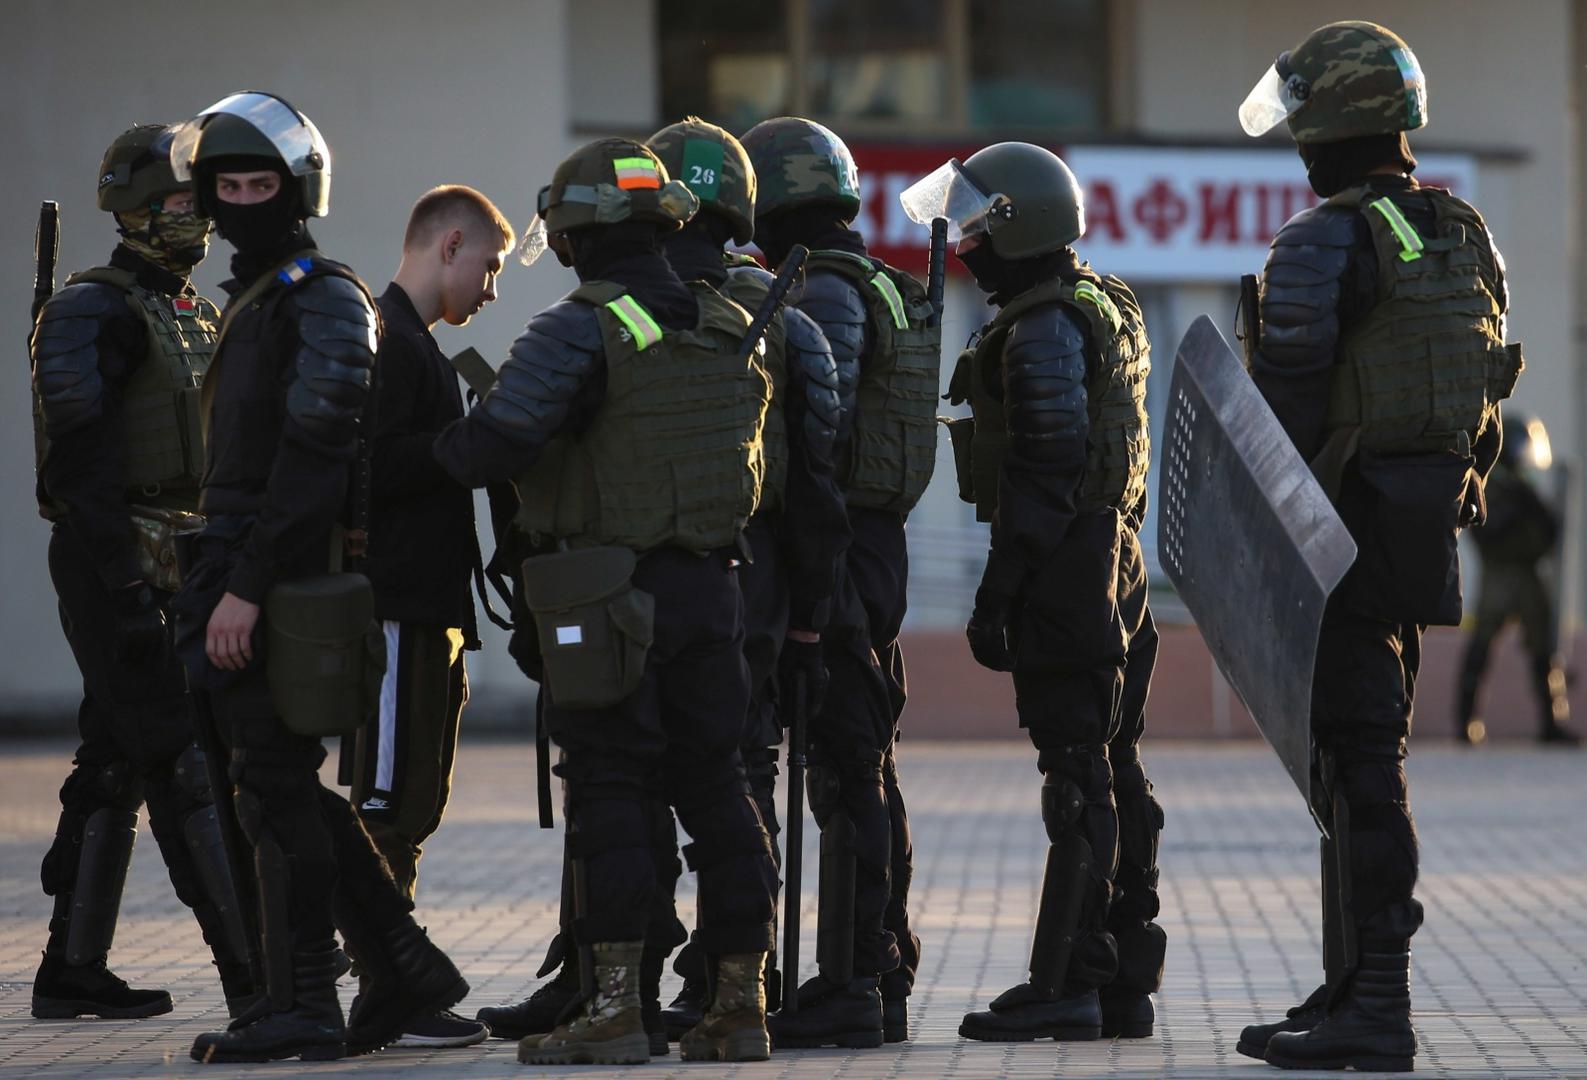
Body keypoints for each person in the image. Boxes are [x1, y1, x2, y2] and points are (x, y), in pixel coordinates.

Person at [434, 138, 779, 1066]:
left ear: (578, 235)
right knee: (720, 789)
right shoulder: (726, 319)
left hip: (607, 601)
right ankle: (738, 1008)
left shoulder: (578, 326)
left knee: (612, 793)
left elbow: (486, 451)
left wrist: (437, 437)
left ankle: (617, 1012)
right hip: (715, 592)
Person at [1233, 22, 1521, 1071]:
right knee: (1361, 757)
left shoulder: (1321, 244)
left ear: (1333, 127)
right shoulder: (1464, 234)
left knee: (1361, 765)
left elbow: (1280, 428)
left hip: (1337, 533)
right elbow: (1487, 387)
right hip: (1421, 524)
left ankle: (1381, 1006)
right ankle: (1354, 979)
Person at [166, 91, 468, 1063]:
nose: (245, 198)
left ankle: (308, 999)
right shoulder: (259, 300)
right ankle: (395, 965)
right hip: (235, 564)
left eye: (262, 183)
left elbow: (314, 458)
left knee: (275, 789)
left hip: (282, 577)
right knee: (272, 784)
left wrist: (251, 585)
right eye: (230, 184)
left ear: (299, 190)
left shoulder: (323, 297)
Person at [901, 143, 1161, 1043]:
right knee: (1115, 767)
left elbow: (1044, 469)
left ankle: (1069, 984)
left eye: (978, 224)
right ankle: (1123, 979)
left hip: (1067, 570)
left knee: (1076, 776)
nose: (967, 242)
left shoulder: (1043, 326)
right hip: (1114, 559)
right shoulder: (1104, 303)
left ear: (1022, 224)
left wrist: (995, 594)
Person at [28, 122, 254, 1021]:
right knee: (184, 763)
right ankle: (253, 974)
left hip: (181, 558)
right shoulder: (94, 310)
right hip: (115, 561)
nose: (191, 216)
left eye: (195, 200)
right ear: (126, 207)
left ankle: (71, 969)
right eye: (172, 200)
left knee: (117, 758)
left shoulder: (191, 309)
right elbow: (77, 471)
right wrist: (123, 588)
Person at [647, 116, 849, 1038]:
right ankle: (736, 982)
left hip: (645, 578)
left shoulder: (622, 305)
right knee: (741, 776)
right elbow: (818, 488)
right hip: (758, 584)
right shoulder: (790, 319)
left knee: (626, 774)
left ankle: (619, 980)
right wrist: (809, 617)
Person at [740, 115, 934, 1048]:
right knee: (861, 765)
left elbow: (819, 424)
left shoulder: (825, 290)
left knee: (845, 765)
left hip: (841, 550)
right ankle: (875, 970)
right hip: (872, 545)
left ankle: (854, 981)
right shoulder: (878, 283)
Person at [350, 184, 514, 1049]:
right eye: (487, 267)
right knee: (384, 803)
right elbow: (369, 467)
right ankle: (390, 989)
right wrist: (472, 446)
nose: (491, 290)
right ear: (448, 246)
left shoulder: (418, 347)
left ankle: (393, 986)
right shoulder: (391, 343)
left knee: (409, 802)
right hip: (397, 616)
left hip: (426, 615)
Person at [1457, 412, 1578, 745]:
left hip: (1526, 574)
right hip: (1500, 574)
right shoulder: (1492, 486)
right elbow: (1481, 529)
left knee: (1544, 651)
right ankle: (1466, 722)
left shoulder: (1524, 488)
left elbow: (1548, 534)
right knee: (1481, 647)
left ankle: (1551, 722)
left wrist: (1535, 509)